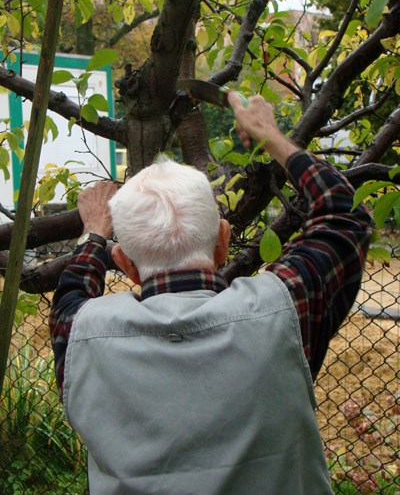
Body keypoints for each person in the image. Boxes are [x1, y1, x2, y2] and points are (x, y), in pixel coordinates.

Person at [50, 91, 371, 495]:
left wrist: (94, 232)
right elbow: (345, 215)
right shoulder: (284, 308)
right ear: (223, 241)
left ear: (125, 265)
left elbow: (72, 291)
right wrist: (271, 136)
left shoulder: (80, 334)